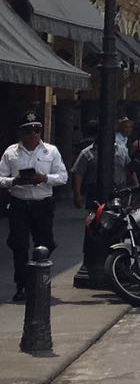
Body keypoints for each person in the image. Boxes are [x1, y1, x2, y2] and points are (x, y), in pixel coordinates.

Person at [1, 113, 70, 302]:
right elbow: (0, 178)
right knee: (19, 246)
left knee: (45, 244)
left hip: (42, 204)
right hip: (19, 204)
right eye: (29, 130)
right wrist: (13, 181)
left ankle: (40, 282)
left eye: (37, 130)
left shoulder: (51, 151)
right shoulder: (11, 152)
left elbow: (63, 176)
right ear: (22, 132)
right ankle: (22, 285)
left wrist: (45, 178)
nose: (33, 134)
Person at [71, 125, 132, 208]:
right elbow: (78, 173)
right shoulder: (86, 153)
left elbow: (129, 167)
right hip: (94, 191)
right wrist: (78, 195)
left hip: (119, 190)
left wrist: (135, 183)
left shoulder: (121, 151)